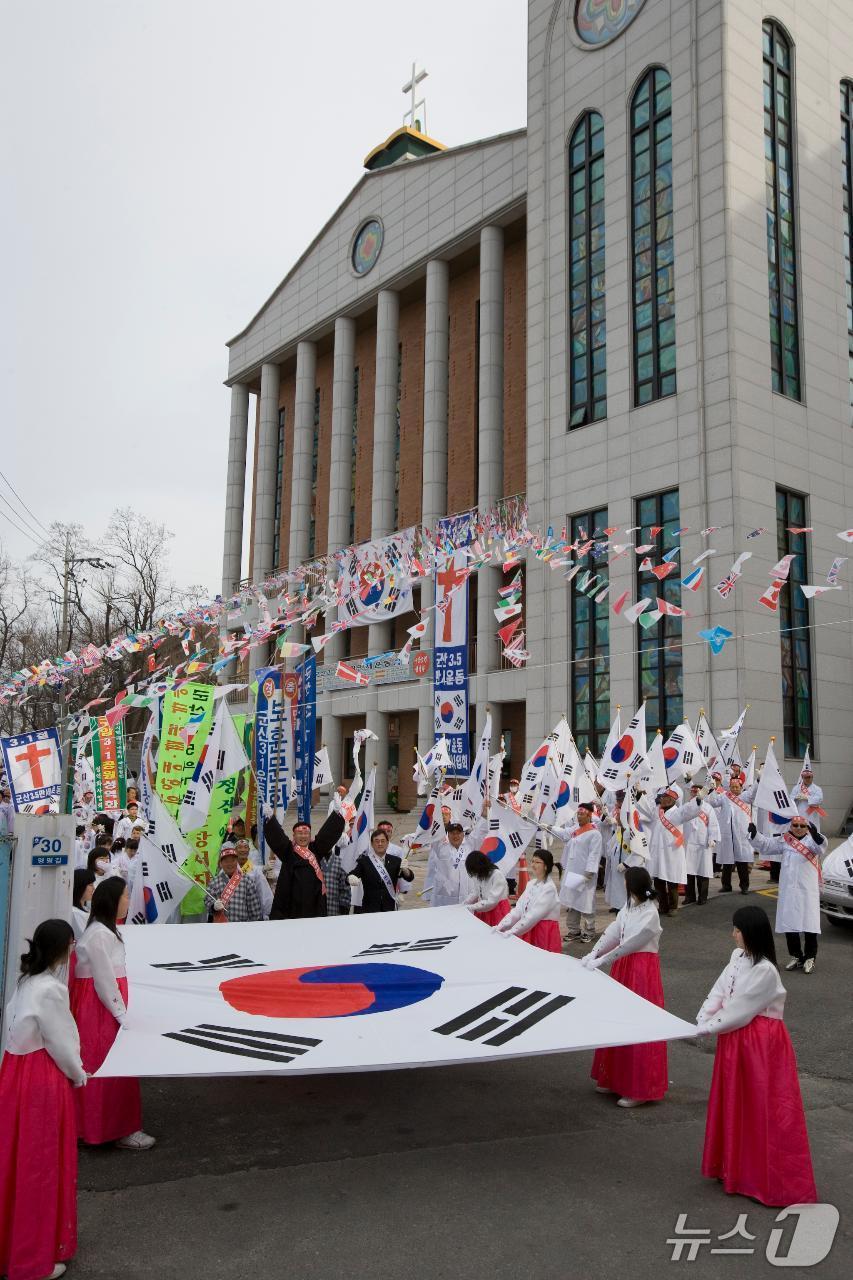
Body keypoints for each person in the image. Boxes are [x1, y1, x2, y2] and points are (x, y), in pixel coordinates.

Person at [695, 906, 817, 1206]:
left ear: (749, 933)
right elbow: (720, 991)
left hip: (760, 1043)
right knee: (735, 1101)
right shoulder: (738, 957)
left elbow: (740, 1009)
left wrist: (707, 1029)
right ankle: (735, 1168)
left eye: (737, 929)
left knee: (762, 1107)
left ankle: (765, 1179)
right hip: (736, 1037)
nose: (733, 934)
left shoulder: (765, 970)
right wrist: (702, 1019)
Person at [0, 919, 87, 1280]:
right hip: (40, 1079)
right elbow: (63, 1043)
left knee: (14, 1161)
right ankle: (32, 1256)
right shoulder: (51, 989)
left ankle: (13, 1246)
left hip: (14, 1072)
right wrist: (78, 1074)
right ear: (62, 947)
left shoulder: (25, 982)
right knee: (40, 1164)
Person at [70, 876, 154, 1151]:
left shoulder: (102, 931)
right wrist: (121, 1014)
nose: (129, 901)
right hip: (100, 1011)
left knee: (102, 1066)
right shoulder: (99, 935)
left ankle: (97, 1127)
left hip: (101, 1007)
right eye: (126, 896)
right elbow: (104, 981)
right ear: (112, 901)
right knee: (109, 1067)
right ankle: (113, 1129)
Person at [582, 866, 667, 1108]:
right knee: (618, 1019)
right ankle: (613, 1078)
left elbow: (630, 943)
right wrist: (594, 951)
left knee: (638, 1023)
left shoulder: (651, 914)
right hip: (623, 966)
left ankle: (639, 1088)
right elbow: (614, 930)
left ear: (632, 885)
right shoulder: (630, 904)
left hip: (641, 970)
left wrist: (602, 960)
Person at [748, 815, 825, 973]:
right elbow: (767, 845)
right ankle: (796, 956)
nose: (798, 828)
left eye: (802, 826)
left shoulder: (811, 841)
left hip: (806, 890)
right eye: (795, 825)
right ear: (790, 826)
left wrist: (817, 836)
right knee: (790, 923)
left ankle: (810, 957)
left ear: (807, 828)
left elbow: (821, 846)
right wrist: (755, 835)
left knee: (809, 923)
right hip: (789, 890)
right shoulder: (785, 840)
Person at [263, 805, 346, 919]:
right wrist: (270, 819)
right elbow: (278, 837)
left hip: (314, 900)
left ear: (310, 835)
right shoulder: (288, 850)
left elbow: (327, 835)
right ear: (294, 836)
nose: (303, 836)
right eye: (300, 834)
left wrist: (336, 814)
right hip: (291, 903)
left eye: (306, 834)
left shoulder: (316, 848)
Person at [639, 786, 704, 915]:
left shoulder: (677, 812)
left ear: (672, 800)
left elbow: (689, 810)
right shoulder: (658, 811)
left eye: (665, 798)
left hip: (671, 852)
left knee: (672, 881)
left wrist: (698, 799)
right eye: (662, 797)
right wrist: (640, 794)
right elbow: (645, 809)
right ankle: (663, 905)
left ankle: (673, 907)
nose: (662, 800)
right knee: (658, 881)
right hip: (658, 852)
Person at [551, 802, 603, 943]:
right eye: (578, 814)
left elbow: (594, 854)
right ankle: (574, 930)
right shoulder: (575, 829)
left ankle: (589, 930)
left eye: (582, 814)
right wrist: (549, 828)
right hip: (572, 871)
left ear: (589, 815)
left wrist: (590, 872)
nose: (579, 817)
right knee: (572, 901)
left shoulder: (594, 833)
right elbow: (564, 833)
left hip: (585, 874)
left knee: (586, 902)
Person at [495, 851, 561, 952]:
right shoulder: (531, 883)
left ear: (546, 866)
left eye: (537, 862)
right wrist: (501, 925)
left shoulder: (549, 888)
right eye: (532, 861)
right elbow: (519, 909)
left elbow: (534, 914)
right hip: (528, 926)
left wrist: (513, 930)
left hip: (542, 931)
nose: (533, 865)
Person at [424, 808, 489, 907]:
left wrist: (484, 816)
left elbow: (480, 833)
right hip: (445, 897)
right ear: (448, 835)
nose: (455, 836)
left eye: (458, 833)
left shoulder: (470, 845)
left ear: (463, 834)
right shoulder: (441, 848)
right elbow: (434, 834)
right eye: (452, 833)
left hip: (467, 896)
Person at [707, 775, 755, 894]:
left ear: (741, 787)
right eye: (732, 787)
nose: (734, 789)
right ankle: (726, 885)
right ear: (729, 787)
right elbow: (712, 802)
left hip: (741, 834)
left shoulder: (745, 796)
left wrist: (758, 780)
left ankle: (744, 886)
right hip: (728, 833)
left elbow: (754, 793)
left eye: (736, 787)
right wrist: (713, 790)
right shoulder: (724, 796)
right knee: (727, 861)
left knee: (742, 862)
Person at [347, 829, 415, 913]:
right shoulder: (364, 861)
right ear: (372, 844)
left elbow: (409, 878)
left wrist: (406, 870)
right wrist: (350, 877)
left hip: (389, 907)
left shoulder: (396, 860)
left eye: (383, 841)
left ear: (387, 843)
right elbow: (352, 874)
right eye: (377, 841)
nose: (380, 844)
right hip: (370, 908)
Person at [683, 781, 721, 905]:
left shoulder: (708, 808)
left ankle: (702, 897)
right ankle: (690, 896)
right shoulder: (687, 806)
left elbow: (713, 825)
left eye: (696, 792)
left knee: (702, 871)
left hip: (703, 843)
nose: (693, 794)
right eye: (692, 792)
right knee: (689, 872)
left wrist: (712, 838)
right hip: (688, 843)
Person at [206, 843, 264, 922]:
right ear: (221, 864)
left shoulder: (247, 880)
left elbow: (255, 909)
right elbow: (207, 901)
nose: (230, 864)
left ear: (237, 862)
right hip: (220, 928)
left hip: (242, 928)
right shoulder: (214, 882)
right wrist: (213, 906)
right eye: (226, 861)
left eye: (232, 860)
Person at [463, 850, 510, 925]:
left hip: (497, 910)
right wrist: (464, 904)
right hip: (483, 908)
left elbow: (492, 902)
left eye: (475, 871)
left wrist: (471, 907)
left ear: (480, 867)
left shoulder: (497, 875)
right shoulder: (479, 874)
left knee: (495, 933)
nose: (475, 874)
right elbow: (475, 892)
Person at [792, 764, 825, 833]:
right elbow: (790, 799)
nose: (807, 779)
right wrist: (796, 797)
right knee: (800, 830)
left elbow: (820, 799)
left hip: (812, 814)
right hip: (800, 812)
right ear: (802, 777)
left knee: (812, 830)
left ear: (812, 777)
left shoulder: (817, 789)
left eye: (809, 777)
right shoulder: (796, 788)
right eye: (805, 777)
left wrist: (807, 797)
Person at [72, 869, 96, 941]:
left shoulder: (85, 908)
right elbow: (85, 939)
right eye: (91, 885)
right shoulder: (75, 913)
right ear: (80, 886)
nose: (93, 888)